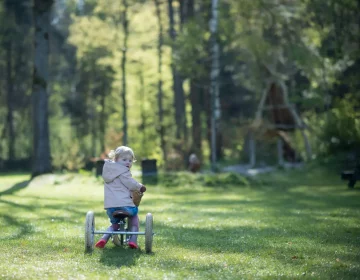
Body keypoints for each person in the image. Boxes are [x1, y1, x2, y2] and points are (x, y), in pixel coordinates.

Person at [95, 146, 146, 249]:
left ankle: (104, 238)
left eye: (130, 160)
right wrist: (140, 187)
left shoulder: (108, 171)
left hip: (110, 207)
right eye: (124, 160)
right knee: (134, 215)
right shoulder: (123, 171)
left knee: (115, 224)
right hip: (126, 206)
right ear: (116, 159)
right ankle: (133, 240)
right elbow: (130, 184)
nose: (128, 162)